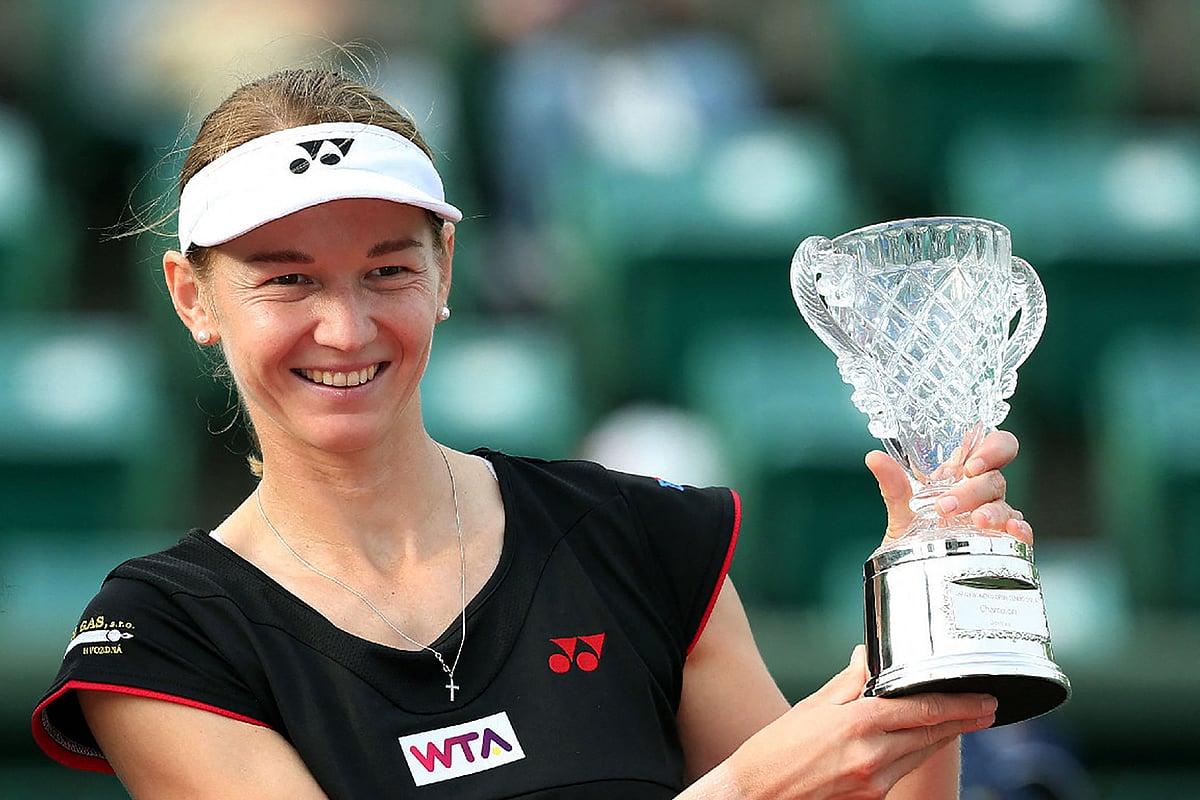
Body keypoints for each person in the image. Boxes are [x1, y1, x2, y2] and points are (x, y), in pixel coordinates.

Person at [31, 67, 1031, 799]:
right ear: (191, 297)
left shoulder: (636, 535)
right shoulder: (161, 638)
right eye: (287, 278)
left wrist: (920, 629)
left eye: (387, 270)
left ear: (445, 270)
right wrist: (747, 788)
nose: (345, 327)